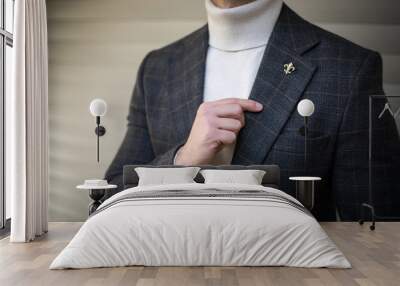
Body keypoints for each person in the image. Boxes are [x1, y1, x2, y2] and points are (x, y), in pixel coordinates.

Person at [105, 0, 400, 220]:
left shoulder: (350, 68)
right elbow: (108, 199)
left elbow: (378, 228)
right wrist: (182, 160)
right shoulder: (157, 68)